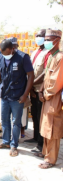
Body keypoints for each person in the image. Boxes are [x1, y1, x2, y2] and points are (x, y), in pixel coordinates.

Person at [0, 39, 34, 157]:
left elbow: (31, 75)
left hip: (17, 96)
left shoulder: (23, 57)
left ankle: (14, 145)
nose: (5, 56)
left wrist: (25, 94)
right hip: (5, 95)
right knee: (4, 120)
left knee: (16, 122)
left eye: (6, 53)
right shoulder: (0, 57)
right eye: (3, 53)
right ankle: (6, 142)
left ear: (12, 49)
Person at [38, 29, 63, 169]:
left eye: (49, 39)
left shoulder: (60, 57)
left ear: (57, 40)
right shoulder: (51, 56)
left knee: (53, 128)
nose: (46, 42)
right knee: (46, 126)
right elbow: (47, 76)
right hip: (47, 96)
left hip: (54, 97)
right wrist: (41, 90)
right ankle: (45, 153)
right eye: (45, 39)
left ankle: (51, 159)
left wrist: (46, 94)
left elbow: (56, 81)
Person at [24, 29, 49, 155]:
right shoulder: (35, 52)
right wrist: (30, 87)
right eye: (37, 35)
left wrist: (32, 84)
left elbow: (45, 72)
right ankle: (35, 137)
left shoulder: (48, 53)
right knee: (34, 114)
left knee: (40, 116)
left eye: (41, 35)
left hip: (40, 89)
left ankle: (41, 143)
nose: (38, 37)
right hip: (32, 89)